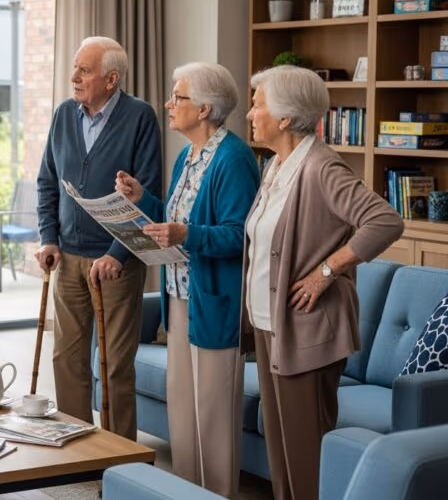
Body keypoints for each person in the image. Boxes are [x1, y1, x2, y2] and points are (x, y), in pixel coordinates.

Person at [242, 65, 404, 500]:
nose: (250, 114)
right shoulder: (275, 167)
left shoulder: (320, 167)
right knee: (280, 453)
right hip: (270, 324)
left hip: (306, 329)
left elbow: (385, 220)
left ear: (284, 117)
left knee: (306, 456)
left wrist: (327, 271)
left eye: (257, 104)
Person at [116, 62, 259, 498]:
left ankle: (216, 493)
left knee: (212, 414)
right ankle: (187, 492)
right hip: (180, 298)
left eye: (177, 97)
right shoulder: (189, 155)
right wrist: (144, 199)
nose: (168, 105)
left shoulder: (233, 159)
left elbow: (241, 235)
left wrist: (186, 234)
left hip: (214, 300)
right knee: (184, 409)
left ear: (204, 108)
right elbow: (175, 218)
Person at [35, 36, 162, 438]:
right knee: (67, 359)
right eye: (75, 68)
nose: (74, 77)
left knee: (113, 365)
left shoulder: (140, 117)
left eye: (84, 70)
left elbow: (147, 194)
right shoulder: (63, 115)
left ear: (111, 79)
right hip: (68, 257)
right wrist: (48, 238)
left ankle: (120, 456)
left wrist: (115, 255)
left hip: (116, 265)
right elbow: (47, 182)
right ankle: (77, 452)